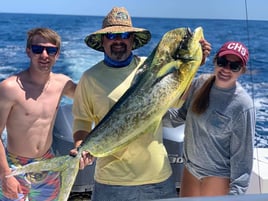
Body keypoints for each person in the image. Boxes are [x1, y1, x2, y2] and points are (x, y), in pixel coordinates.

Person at [70, 7, 211, 201]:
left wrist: (195, 65)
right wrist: (80, 145)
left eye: (124, 35)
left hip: (158, 179)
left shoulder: (153, 68)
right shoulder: (89, 78)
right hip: (111, 183)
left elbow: (178, 100)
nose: (118, 40)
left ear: (132, 40)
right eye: (111, 36)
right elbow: (81, 122)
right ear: (103, 41)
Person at [162, 41, 256, 197]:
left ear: (242, 71)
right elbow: (179, 117)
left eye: (234, 66)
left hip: (217, 178)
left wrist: (236, 196)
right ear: (215, 61)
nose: (226, 69)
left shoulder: (243, 105)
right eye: (222, 62)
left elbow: (243, 159)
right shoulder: (200, 83)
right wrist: (146, 119)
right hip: (189, 171)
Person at [0, 27, 76, 201]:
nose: (44, 55)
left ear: (57, 54)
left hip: (47, 165)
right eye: (37, 49)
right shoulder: (9, 88)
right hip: (14, 167)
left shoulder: (63, 84)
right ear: (28, 52)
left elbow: (90, 99)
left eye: (51, 50)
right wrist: (5, 174)